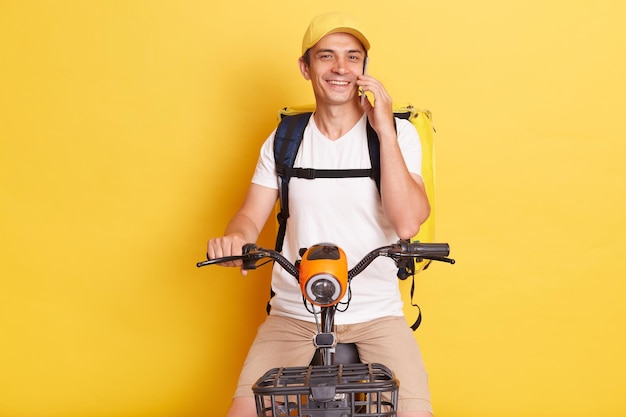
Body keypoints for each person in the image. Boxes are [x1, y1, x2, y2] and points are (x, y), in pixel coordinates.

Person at [207, 12, 433, 417]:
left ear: (364, 68)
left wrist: (384, 128)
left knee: (414, 412)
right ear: (305, 67)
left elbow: (407, 223)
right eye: (326, 56)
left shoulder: (397, 135)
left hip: (377, 313)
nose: (341, 68)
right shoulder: (285, 138)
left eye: (352, 57)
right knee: (242, 412)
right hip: (294, 313)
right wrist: (235, 239)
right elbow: (248, 218)